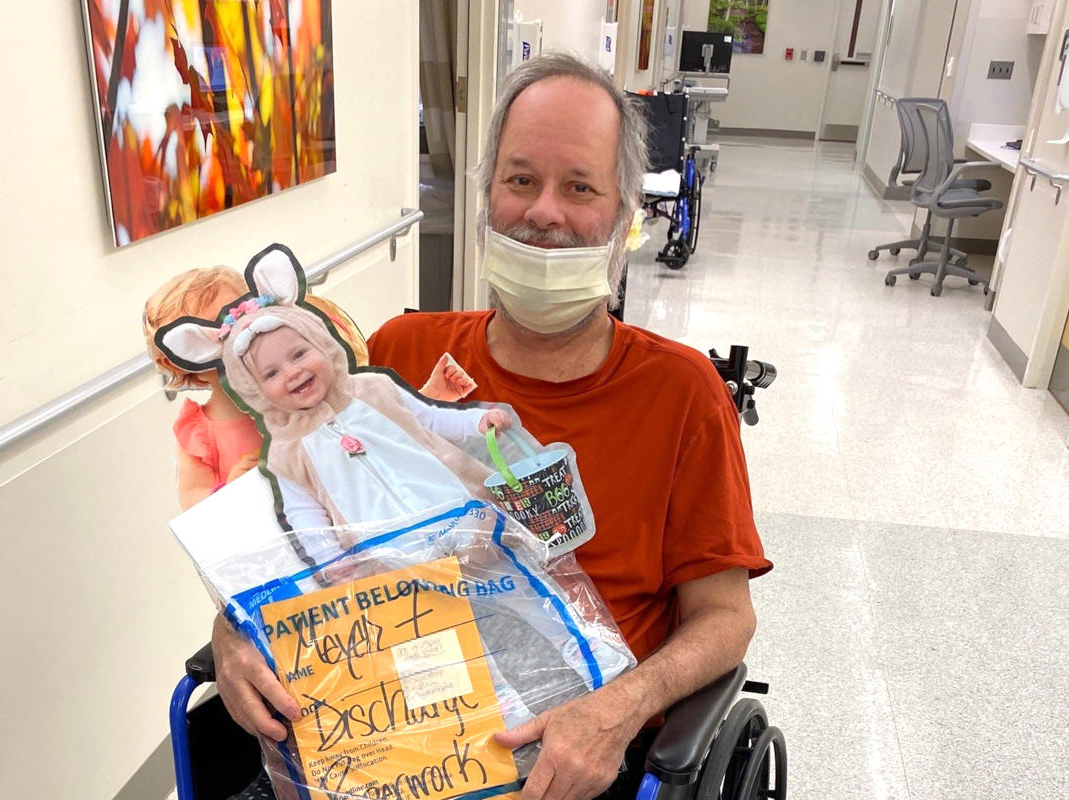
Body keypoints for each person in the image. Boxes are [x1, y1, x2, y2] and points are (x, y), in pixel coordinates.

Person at [210, 52, 771, 800]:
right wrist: (232, 635)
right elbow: (292, 534)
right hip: (386, 725)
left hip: (563, 754)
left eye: (579, 186)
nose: (544, 212)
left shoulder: (680, 392)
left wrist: (617, 710)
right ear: (486, 203)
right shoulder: (396, 358)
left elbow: (725, 616)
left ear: (623, 219)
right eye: (519, 180)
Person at [143, 267, 477, 510]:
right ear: (188, 360)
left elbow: (382, 428)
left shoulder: (307, 393)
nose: (247, 335)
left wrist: (428, 398)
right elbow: (194, 508)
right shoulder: (198, 433)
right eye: (223, 332)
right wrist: (233, 489)